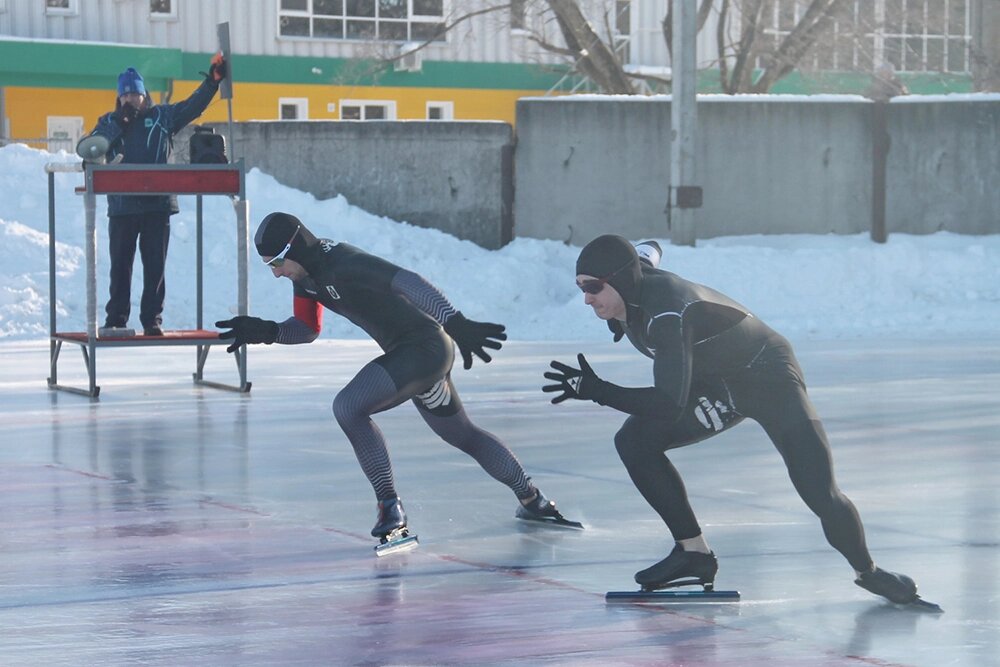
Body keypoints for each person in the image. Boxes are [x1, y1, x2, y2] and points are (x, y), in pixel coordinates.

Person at [543, 234, 927, 606]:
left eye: (593, 287)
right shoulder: (633, 277)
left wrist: (598, 389)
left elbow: (666, 403)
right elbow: (649, 249)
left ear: (623, 281)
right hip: (715, 380)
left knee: (818, 490)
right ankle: (693, 554)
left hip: (768, 377)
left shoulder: (667, 315)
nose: (587, 298)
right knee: (633, 442)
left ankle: (868, 571)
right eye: (580, 287)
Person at [216, 212, 577, 547]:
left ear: (292, 248)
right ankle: (533, 499)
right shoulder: (306, 276)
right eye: (268, 266)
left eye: (276, 262)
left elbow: (408, 281)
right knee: (462, 434)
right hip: (416, 356)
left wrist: (455, 321)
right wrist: (267, 331)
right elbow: (308, 328)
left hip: (425, 348)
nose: (276, 273)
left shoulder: (342, 262)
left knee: (348, 407)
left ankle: (390, 506)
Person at [83, 56, 226, 336]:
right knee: (120, 267)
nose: (131, 99)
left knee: (155, 267)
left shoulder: (162, 117)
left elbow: (192, 107)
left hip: (156, 205)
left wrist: (212, 83)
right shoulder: (109, 122)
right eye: (125, 94)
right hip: (123, 207)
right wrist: (118, 126)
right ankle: (116, 320)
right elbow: (90, 151)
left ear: (144, 94)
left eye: (135, 93)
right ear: (119, 97)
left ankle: (152, 320)